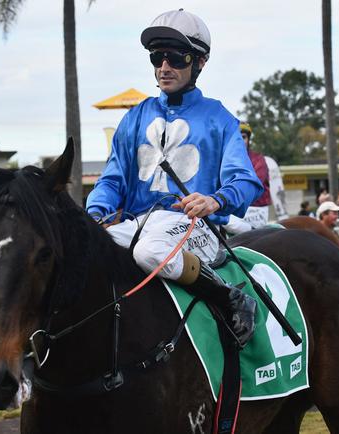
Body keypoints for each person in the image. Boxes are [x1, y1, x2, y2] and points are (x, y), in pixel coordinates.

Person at [86, 9, 263, 345]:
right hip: (138, 223)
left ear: (200, 62)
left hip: (197, 227)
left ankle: (231, 298)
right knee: (83, 250)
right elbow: (111, 181)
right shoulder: (134, 117)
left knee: (149, 251)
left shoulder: (220, 119)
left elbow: (246, 181)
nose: (164, 67)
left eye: (176, 58)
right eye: (157, 57)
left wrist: (214, 199)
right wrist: (94, 215)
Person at [222, 122, 271, 234]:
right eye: (237, 137)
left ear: (249, 139)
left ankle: (256, 233)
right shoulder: (225, 159)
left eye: (243, 137)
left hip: (255, 209)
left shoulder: (258, 160)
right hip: (232, 206)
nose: (240, 140)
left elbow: (252, 186)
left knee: (224, 221)